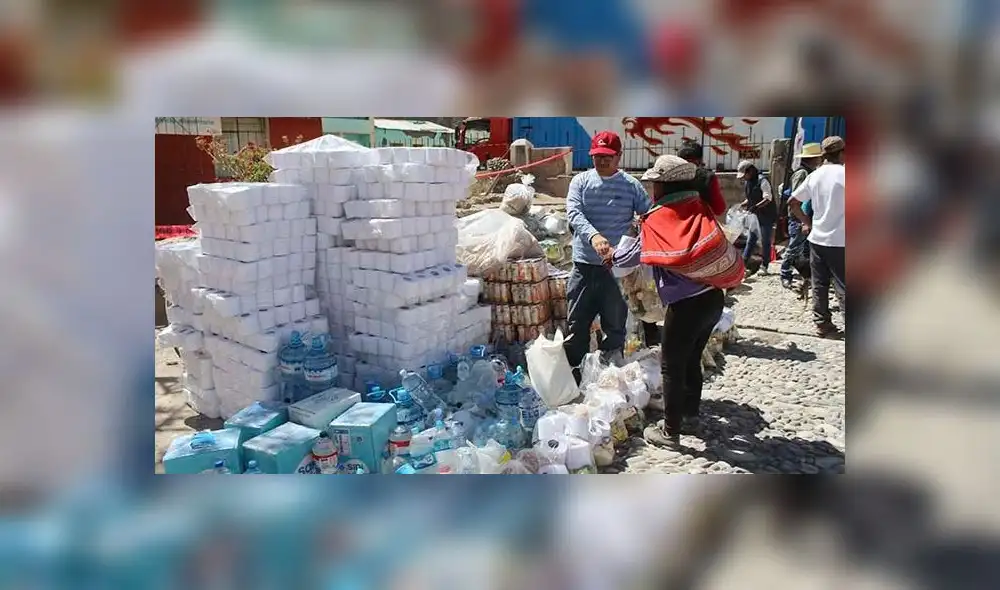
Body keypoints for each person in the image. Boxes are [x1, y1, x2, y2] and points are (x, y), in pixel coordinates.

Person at [612, 155, 726, 449]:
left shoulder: (659, 217)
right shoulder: (699, 207)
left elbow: (626, 259)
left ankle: (670, 433)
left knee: (671, 365)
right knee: (692, 357)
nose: (650, 189)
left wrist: (621, 244)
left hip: (686, 303)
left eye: (653, 183)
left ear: (664, 185)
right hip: (713, 297)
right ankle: (690, 412)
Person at [565, 130, 652, 381]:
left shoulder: (631, 185)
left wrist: (635, 240)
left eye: (607, 156)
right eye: (597, 156)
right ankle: (575, 377)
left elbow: (649, 215)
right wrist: (594, 236)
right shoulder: (580, 182)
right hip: (583, 267)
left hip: (617, 271)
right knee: (577, 325)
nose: (602, 161)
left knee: (614, 327)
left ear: (619, 157)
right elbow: (574, 213)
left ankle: (608, 380)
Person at [789, 136, 846, 338]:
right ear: (841, 152)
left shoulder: (815, 175)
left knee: (819, 284)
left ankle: (822, 324)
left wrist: (807, 222)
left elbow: (792, 202)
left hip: (817, 239)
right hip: (841, 241)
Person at [779, 143, 823, 289]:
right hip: (799, 217)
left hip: (804, 216)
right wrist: (803, 219)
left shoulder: (809, 172)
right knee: (794, 248)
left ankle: (806, 276)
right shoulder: (802, 173)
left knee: (804, 248)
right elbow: (798, 196)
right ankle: (785, 274)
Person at [736, 160, 777, 275]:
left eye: (745, 175)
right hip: (755, 216)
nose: (744, 178)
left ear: (751, 171)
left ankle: (765, 265)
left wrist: (756, 207)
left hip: (766, 215)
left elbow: (767, 198)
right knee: (751, 239)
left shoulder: (762, 181)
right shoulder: (748, 182)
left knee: (765, 241)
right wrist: (744, 204)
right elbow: (751, 197)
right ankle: (743, 265)